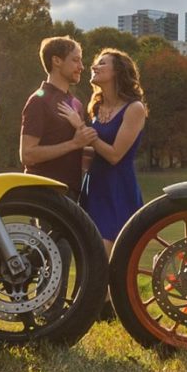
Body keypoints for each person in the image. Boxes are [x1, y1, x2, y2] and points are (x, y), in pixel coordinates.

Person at [56, 48, 148, 250]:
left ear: (117, 72)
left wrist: (80, 127)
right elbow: (94, 150)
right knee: (91, 253)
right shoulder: (96, 107)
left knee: (107, 255)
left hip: (118, 190)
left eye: (102, 63)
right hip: (94, 187)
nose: (94, 66)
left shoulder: (134, 108)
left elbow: (115, 155)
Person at [19, 36, 98, 199]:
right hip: (46, 194)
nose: (81, 67)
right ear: (57, 61)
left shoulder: (75, 103)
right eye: (75, 60)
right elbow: (27, 155)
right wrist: (74, 144)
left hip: (72, 193)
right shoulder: (38, 100)